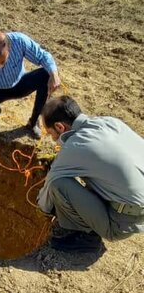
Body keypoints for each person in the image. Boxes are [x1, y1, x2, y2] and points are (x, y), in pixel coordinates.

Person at [38, 96, 144, 253]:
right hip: (136, 206)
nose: (53, 139)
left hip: (121, 223)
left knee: (58, 185)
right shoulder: (111, 122)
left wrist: (41, 209)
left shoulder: (76, 144)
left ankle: (88, 237)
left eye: (50, 133)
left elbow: (48, 192)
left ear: (60, 127)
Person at [0, 31, 61, 160]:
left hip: (20, 84)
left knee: (46, 74)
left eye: (3, 61)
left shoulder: (19, 41)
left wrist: (53, 74)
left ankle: (33, 123)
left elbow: (42, 56)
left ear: (10, 49)